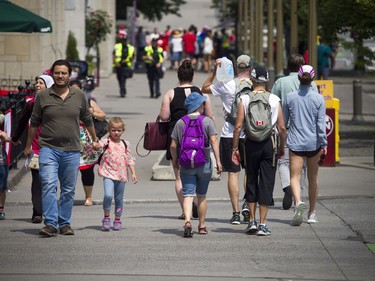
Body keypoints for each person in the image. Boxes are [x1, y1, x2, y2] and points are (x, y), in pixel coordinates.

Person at [24, 59, 99, 237]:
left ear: (69, 75)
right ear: (52, 74)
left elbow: (87, 119)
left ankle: (64, 223)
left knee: (67, 189)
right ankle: (50, 223)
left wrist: (95, 139)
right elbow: (34, 123)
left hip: (72, 150)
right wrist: (28, 146)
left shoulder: (78, 95)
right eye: (57, 72)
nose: (60, 76)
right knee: (48, 185)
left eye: (64, 73)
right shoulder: (42, 96)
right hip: (48, 148)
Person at [232, 66, 286, 236]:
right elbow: (282, 127)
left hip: (250, 144)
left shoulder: (245, 99)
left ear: (253, 80)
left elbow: (238, 126)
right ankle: (263, 224)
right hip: (269, 144)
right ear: (267, 80)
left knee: (251, 181)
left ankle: (252, 221)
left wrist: (235, 148)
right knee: (267, 182)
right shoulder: (274, 99)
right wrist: (282, 146)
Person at [158, 59, 215, 220]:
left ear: (178, 75)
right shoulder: (201, 93)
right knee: (199, 173)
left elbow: (164, 117)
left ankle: (186, 210)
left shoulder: (170, 93)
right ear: (193, 75)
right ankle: (198, 200)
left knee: (179, 177)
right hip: (199, 139)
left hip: (178, 137)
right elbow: (209, 116)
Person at [202, 55, 253, 225]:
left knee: (233, 173)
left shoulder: (226, 85)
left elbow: (204, 88)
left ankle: (236, 213)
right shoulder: (254, 86)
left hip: (229, 135)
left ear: (236, 68)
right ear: (251, 69)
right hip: (251, 134)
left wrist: (215, 70)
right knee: (250, 172)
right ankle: (248, 204)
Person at [170, 92, 222, 237]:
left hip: (186, 163)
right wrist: (218, 161)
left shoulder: (181, 122)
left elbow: (173, 145)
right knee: (201, 195)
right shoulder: (207, 121)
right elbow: (214, 141)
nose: (204, 105)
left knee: (187, 194)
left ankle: (187, 221)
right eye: (203, 103)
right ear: (199, 105)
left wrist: (175, 160)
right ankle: (202, 225)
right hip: (204, 163)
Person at [271, 54, 318, 210]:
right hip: (308, 130)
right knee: (304, 165)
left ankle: (288, 187)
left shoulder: (280, 82)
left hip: (287, 128)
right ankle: (297, 189)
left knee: (284, 161)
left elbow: (273, 103)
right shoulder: (313, 85)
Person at [282, 65, 327, 226]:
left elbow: (284, 122)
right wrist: (324, 143)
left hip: (295, 142)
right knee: (313, 178)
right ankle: (312, 213)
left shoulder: (290, 97)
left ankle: (298, 203)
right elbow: (321, 124)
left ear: (298, 78)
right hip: (313, 142)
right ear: (312, 79)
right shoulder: (319, 99)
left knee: (295, 176)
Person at [12, 75, 54, 223]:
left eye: (41, 83)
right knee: (37, 181)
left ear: (48, 85)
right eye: (37, 82)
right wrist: (16, 138)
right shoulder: (31, 103)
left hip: (53, 147)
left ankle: (50, 211)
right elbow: (23, 121)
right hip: (36, 147)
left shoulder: (55, 102)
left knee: (50, 181)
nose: (37, 85)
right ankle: (37, 212)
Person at [97, 117, 137, 231]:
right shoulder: (107, 142)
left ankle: (118, 219)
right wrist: (95, 145)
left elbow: (129, 159)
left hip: (121, 175)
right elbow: (99, 144)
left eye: (119, 130)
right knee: (108, 196)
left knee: (119, 199)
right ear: (109, 130)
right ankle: (106, 218)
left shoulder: (125, 143)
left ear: (122, 130)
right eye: (114, 130)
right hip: (108, 173)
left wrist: (133, 173)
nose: (116, 132)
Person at [70, 80, 106, 207]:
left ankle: (88, 197)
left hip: (86, 142)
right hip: (70, 140)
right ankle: (68, 196)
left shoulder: (89, 102)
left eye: (77, 90)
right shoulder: (63, 103)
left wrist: (92, 112)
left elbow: (102, 115)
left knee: (87, 171)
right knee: (69, 171)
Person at [113, 31, 135, 97]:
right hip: (118, 65)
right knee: (119, 78)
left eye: (125, 40)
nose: (124, 42)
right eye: (123, 40)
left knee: (123, 78)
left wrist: (126, 61)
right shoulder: (117, 46)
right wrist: (116, 63)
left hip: (125, 65)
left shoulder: (130, 48)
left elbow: (132, 57)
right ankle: (123, 89)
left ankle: (122, 91)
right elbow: (113, 55)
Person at [0, 128, 13, 220]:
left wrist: (13, 139)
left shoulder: (1, 133)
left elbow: (6, 138)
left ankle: (1, 210)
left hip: (2, 164)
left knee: (2, 188)